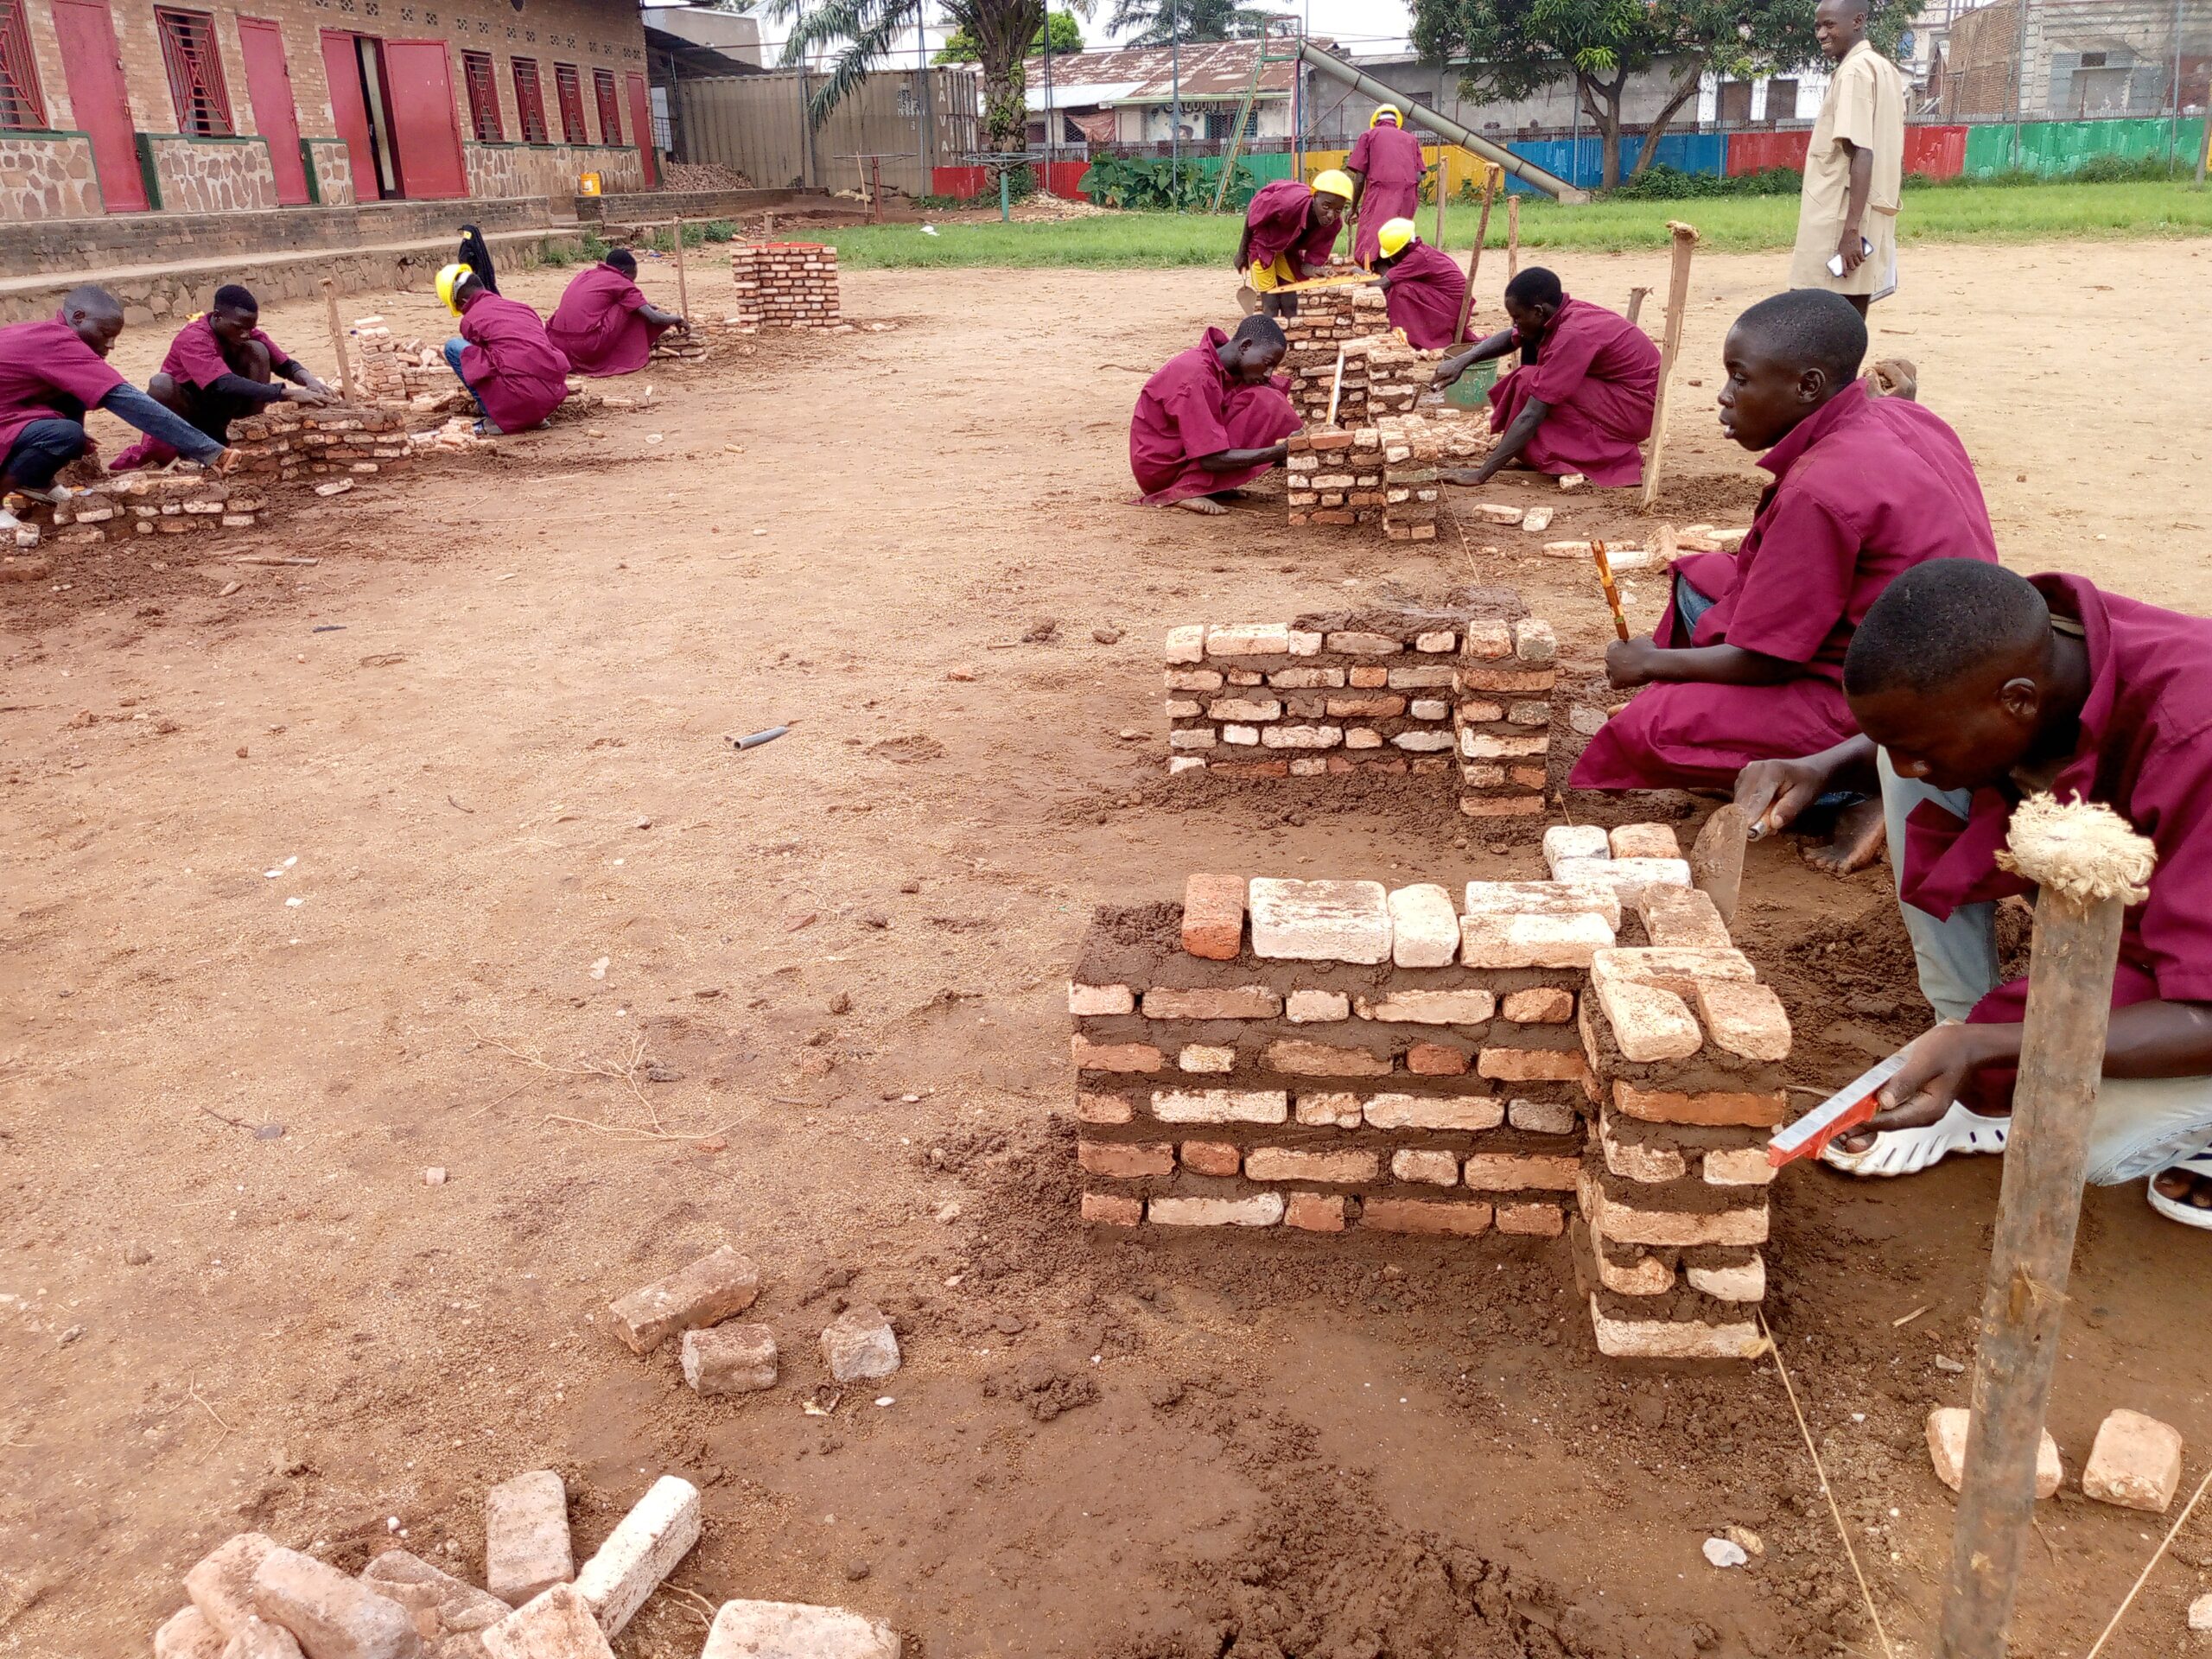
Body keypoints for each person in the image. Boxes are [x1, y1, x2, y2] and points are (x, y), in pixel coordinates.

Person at [1735, 560, 2212, 1228]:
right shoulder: (2048, 644)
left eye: (1921, 748)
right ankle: (1958, 1028)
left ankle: (2199, 1128)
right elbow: (1931, 711)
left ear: (2018, 700)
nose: (1907, 769)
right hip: (2168, 899)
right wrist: (1823, 764)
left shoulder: (2196, 735)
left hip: (2200, 960)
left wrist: (1993, 1048)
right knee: (1916, 775)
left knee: (2088, 1142)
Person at [1569, 289, 1998, 808]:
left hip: (1894, 701)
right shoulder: (1906, 416)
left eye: (1741, 378)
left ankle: (1860, 786)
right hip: (1943, 650)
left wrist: (1651, 664)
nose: (1725, 396)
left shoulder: (1820, 488)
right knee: (1699, 575)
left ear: (1808, 386)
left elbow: (1767, 663)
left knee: (1651, 730)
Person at [0, 285, 233, 532]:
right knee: (66, 434)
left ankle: (35, 481)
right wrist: (208, 450)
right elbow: (127, 400)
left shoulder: (45, 334)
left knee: (76, 394)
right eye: (105, 333)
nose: (110, 345)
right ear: (78, 318)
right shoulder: (56, 343)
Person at [1433, 267, 1658, 488]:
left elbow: (1533, 413)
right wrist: (1463, 360)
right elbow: (1511, 337)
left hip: (1639, 407)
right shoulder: (1560, 313)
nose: (1515, 325)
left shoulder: (1573, 334)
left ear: (1539, 311)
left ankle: (1590, 455)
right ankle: (1533, 449)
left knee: (1531, 385)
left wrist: (1480, 474)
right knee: (1527, 379)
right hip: (1622, 393)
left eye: (1518, 318)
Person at [109, 284, 330, 472]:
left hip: (225, 410)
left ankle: (249, 433)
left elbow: (284, 364)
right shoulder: (194, 338)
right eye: (239, 328)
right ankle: (191, 448)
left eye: (250, 328)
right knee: (161, 384)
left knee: (258, 350)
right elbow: (222, 383)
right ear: (217, 316)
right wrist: (287, 393)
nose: (245, 334)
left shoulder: (246, 332)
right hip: (192, 414)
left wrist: (310, 381)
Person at [1790, 0, 1904, 315]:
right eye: (1818, 26)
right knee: (1848, 327)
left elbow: (1862, 151)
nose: (1822, 34)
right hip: (1866, 217)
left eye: (1830, 25)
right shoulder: (1882, 68)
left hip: (1839, 221)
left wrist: (1851, 231)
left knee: (1813, 321)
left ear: (1858, 21)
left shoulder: (1854, 72)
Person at [1128, 315, 1301, 515]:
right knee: (1266, 401)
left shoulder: (1225, 366)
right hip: (1161, 470)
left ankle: (1209, 485)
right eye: (1267, 363)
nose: (1268, 373)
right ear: (1245, 346)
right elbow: (1210, 459)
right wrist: (1278, 452)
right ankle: (1183, 490)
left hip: (1186, 452)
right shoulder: (1195, 377)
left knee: (1266, 399)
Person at [435, 262, 570, 436]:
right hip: (549, 399)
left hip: (517, 398)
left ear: (462, 301)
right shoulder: (522, 308)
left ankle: (495, 412)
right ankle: (527, 414)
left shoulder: (471, 319)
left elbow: (479, 368)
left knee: (454, 347)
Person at [547, 248, 688, 378]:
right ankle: (626, 355)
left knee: (631, 305)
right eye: (633, 279)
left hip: (557, 345)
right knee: (631, 309)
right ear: (626, 273)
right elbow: (654, 318)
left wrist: (644, 305)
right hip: (586, 347)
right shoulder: (621, 283)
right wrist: (676, 318)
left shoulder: (586, 275)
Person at [1236, 172, 1352, 318]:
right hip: (1262, 245)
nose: (1330, 215)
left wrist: (1316, 270)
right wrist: (1242, 252)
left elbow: (1307, 265)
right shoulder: (1287, 203)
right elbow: (1254, 212)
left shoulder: (1333, 226)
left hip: (1286, 251)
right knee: (1271, 303)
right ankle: (1269, 339)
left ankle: (1290, 338)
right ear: (1315, 196)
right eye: (1326, 206)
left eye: (1338, 210)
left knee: (1290, 301)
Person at [1345, 105, 1426, 270]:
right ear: (1397, 122)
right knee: (1398, 237)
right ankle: (1399, 272)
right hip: (1407, 193)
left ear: (1375, 121)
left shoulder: (1368, 136)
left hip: (1380, 192)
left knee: (1372, 240)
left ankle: (1375, 273)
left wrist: (1353, 208)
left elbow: (1360, 178)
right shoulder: (1411, 139)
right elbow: (1419, 175)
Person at [1371, 219, 1468, 350]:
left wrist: (1355, 272)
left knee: (1400, 289)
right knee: (1400, 285)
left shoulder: (1418, 258)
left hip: (1454, 308)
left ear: (1401, 250)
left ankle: (1415, 339)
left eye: (1392, 255)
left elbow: (1382, 283)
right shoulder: (1419, 251)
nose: (1392, 259)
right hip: (1451, 302)